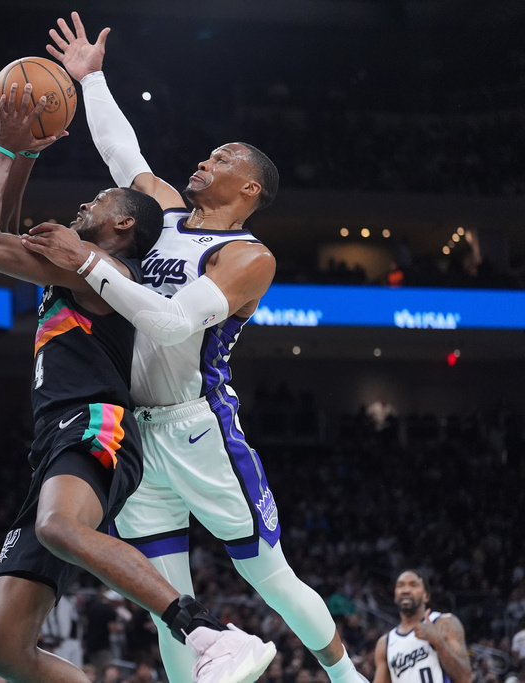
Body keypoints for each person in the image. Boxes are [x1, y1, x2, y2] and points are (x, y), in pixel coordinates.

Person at [22, 12, 363, 683]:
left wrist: (87, 266)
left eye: (225, 157)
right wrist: (91, 79)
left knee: (268, 575)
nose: (207, 158)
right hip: (133, 432)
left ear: (250, 188)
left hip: (196, 425)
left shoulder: (247, 255)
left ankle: (349, 677)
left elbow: (176, 326)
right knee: (168, 604)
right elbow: (124, 154)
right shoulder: (164, 213)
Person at [0, 82, 274, 683]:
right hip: (54, 437)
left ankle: (206, 631)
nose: (84, 206)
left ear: (123, 222)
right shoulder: (79, 261)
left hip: (95, 424)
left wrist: (6, 148)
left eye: (98, 201)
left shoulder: (106, 269)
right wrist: (24, 154)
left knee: (59, 526)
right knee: (5, 651)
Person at [372, 570, 472, 683]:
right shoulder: (385, 643)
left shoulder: (444, 623)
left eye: (413, 585)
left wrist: (437, 641)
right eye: (400, 586)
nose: (406, 590)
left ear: (426, 596)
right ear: (395, 595)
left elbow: (465, 678)